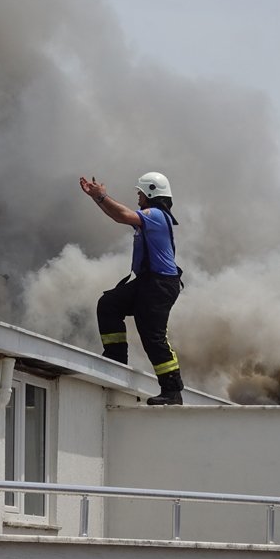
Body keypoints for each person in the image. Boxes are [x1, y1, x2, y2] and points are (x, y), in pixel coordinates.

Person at [79, 171, 185, 405]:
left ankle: (172, 391)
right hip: (148, 283)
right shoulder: (152, 216)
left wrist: (101, 197)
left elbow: (123, 215)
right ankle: (115, 361)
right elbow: (119, 216)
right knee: (109, 304)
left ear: (150, 193)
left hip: (160, 286)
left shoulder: (156, 215)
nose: (138, 196)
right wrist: (97, 198)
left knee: (152, 336)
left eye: (140, 193)